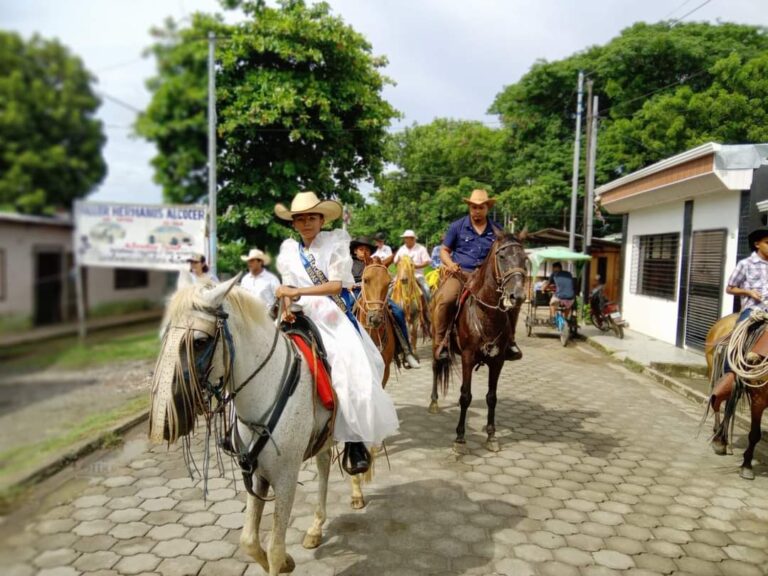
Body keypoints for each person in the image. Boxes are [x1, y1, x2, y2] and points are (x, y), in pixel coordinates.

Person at [274, 191, 399, 475]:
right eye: (300, 219)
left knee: (349, 364)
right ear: (294, 224)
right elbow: (285, 286)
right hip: (297, 312)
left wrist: (297, 291)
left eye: (311, 218)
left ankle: (354, 441)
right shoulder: (289, 251)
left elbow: (333, 286)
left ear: (321, 220)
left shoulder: (335, 244)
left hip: (329, 313)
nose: (306, 223)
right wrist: (285, 304)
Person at [433, 189, 522, 361]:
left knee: (513, 301)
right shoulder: (457, 226)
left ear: (487, 208)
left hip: (488, 279)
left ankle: (510, 340)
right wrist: (450, 264)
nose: (477, 211)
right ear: (469, 207)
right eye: (474, 207)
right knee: (446, 299)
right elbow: (444, 250)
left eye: (481, 207)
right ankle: (441, 342)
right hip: (461, 274)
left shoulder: (497, 230)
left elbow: (505, 254)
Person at [710, 227, 768, 423]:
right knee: (737, 337)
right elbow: (729, 288)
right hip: (754, 310)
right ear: (757, 244)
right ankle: (730, 375)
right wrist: (749, 293)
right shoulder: (746, 264)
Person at [350, 235, 420, 369]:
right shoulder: (348, 263)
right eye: (361, 249)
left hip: (375, 295)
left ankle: (406, 351)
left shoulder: (376, 263)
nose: (364, 252)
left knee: (398, 311)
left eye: (367, 249)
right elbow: (341, 279)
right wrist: (351, 284)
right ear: (355, 251)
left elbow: (382, 279)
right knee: (344, 313)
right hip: (355, 294)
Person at [394, 229, 431, 301]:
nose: (405, 240)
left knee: (427, 290)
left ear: (413, 239)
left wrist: (416, 266)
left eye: (407, 238)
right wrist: (400, 263)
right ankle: (388, 306)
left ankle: (428, 309)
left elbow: (427, 262)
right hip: (402, 275)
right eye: (405, 238)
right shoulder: (402, 248)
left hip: (417, 275)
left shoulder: (421, 248)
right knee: (389, 289)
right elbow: (395, 262)